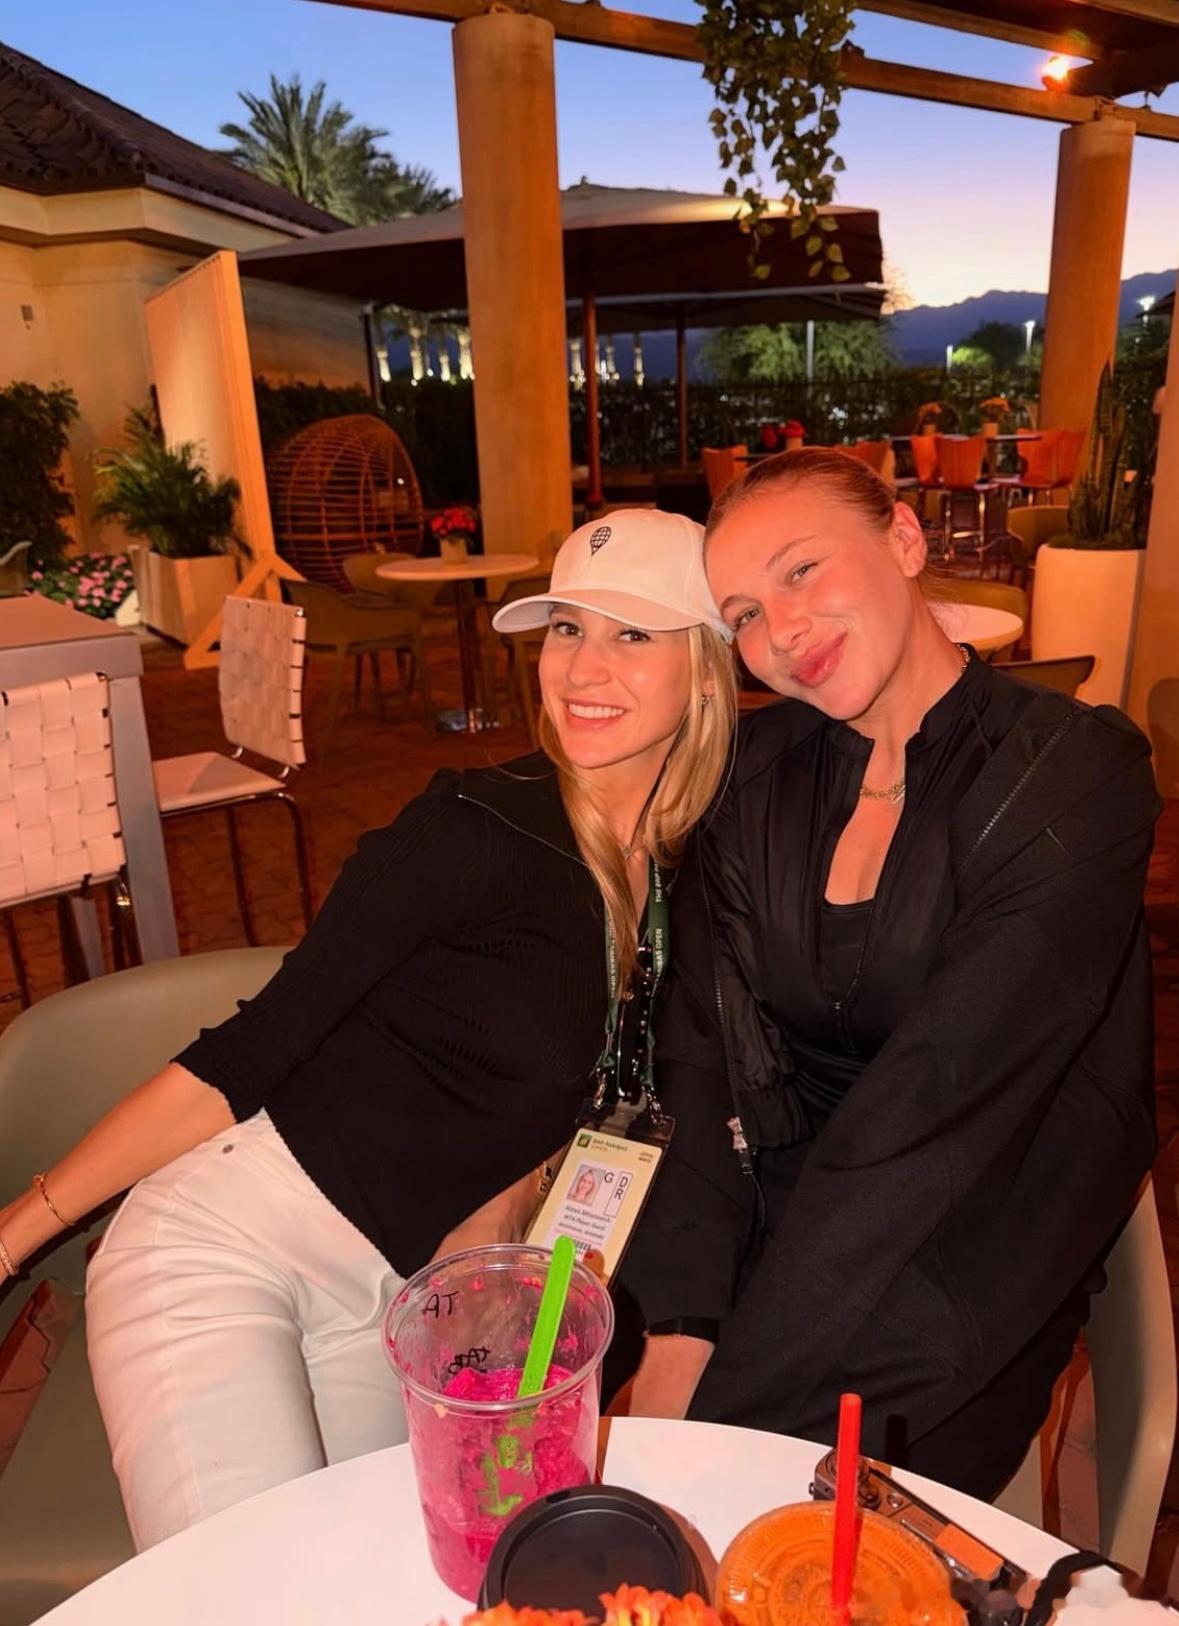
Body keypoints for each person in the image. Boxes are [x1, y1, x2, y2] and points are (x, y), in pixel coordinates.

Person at [0, 509, 736, 1550]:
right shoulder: (470, 829)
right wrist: (13, 1236)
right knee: (259, 1590)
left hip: (399, 1300)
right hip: (227, 1247)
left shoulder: (690, 875)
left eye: (633, 634)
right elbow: (243, 1056)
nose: (582, 667)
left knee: (397, 1570)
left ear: (705, 670)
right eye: (567, 628)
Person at [622, 449, 1158, 1499]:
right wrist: (684, 1317)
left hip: (976, 1233)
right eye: (743, 615)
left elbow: (940, 1102)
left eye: (802, 570)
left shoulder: (1070, 774)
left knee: (769, 1520)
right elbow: (698, 1051)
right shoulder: (755, 774)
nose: (781, 632)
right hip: (780, 1202)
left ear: (903, 541)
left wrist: (727, 1404)